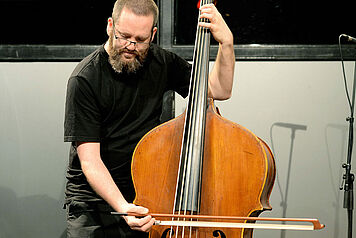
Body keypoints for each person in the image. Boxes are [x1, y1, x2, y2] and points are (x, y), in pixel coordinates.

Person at [64, 0, 235, 237]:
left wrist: (226, 43)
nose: (130, 46)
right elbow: (90, 161)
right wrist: (123, 207)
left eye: (140, 40)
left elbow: (218, 90)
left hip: (144, 197)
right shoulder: (85, 78)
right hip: (93, 204)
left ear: (153, 34)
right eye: (123, 36)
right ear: (110, 26)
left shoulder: (161, 62)